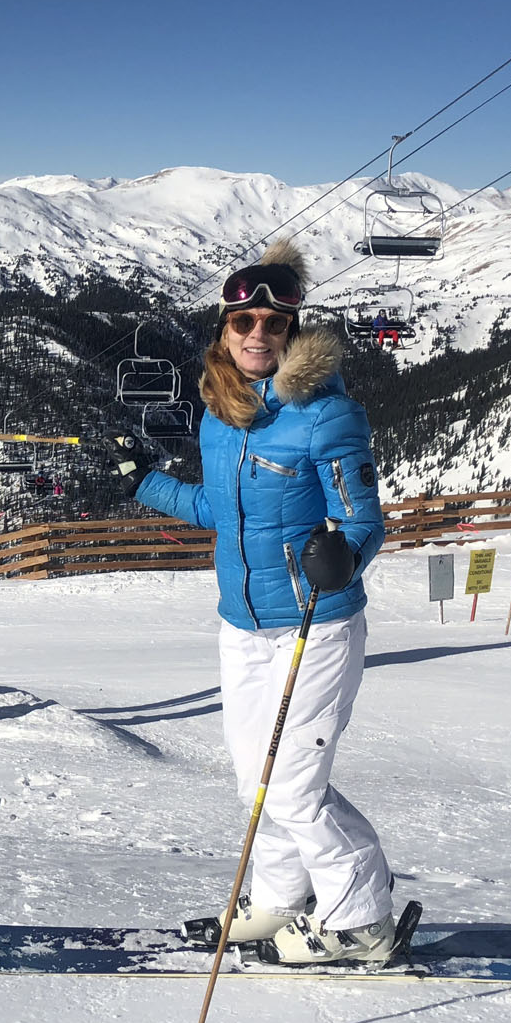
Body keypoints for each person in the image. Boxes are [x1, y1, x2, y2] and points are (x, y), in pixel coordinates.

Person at [106, 238, 393, 964]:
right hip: (242, 624)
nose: (258, 334)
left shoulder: (326, 414)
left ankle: (360, 918)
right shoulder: (219, 411)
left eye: (273, 322)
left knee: (295, 785)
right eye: (244, 322)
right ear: (224, 330)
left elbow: (363, 519)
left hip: (313, 623)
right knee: (255, 782)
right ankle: (276, 897)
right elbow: (220, 509)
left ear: (293, 329)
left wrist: (343, 554)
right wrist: (147, 481)